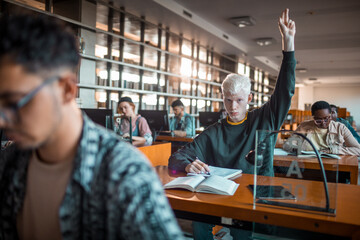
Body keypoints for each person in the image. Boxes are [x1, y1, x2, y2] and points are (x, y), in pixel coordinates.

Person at [0, 14, 184, 239]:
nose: (2, 119)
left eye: (16, 102)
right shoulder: (10, 160)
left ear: (67, 89)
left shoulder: (124, 174)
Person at [169, 8, 296, 239]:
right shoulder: (213, 132)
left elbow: (284, 92)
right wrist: (187, 165)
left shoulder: (264, 119)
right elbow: (176, 159)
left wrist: (288, 46)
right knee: (199, 224)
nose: (233, 106)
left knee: (242, 232)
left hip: (253, 194)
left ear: (249, 99)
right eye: (228, 100)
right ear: (222, 98)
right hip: (219, 196)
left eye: (238, 100)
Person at [284, 101, 360, 155]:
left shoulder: (340, 128)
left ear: (330, 116)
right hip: (308, 164)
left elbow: (358, 150)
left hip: (334, 166)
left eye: (326, 119)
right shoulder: (304, 126)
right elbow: (287, 144)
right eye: (318, 120)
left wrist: (333, 150)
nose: (323, 123)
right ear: (313, 117)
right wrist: (295, 148)